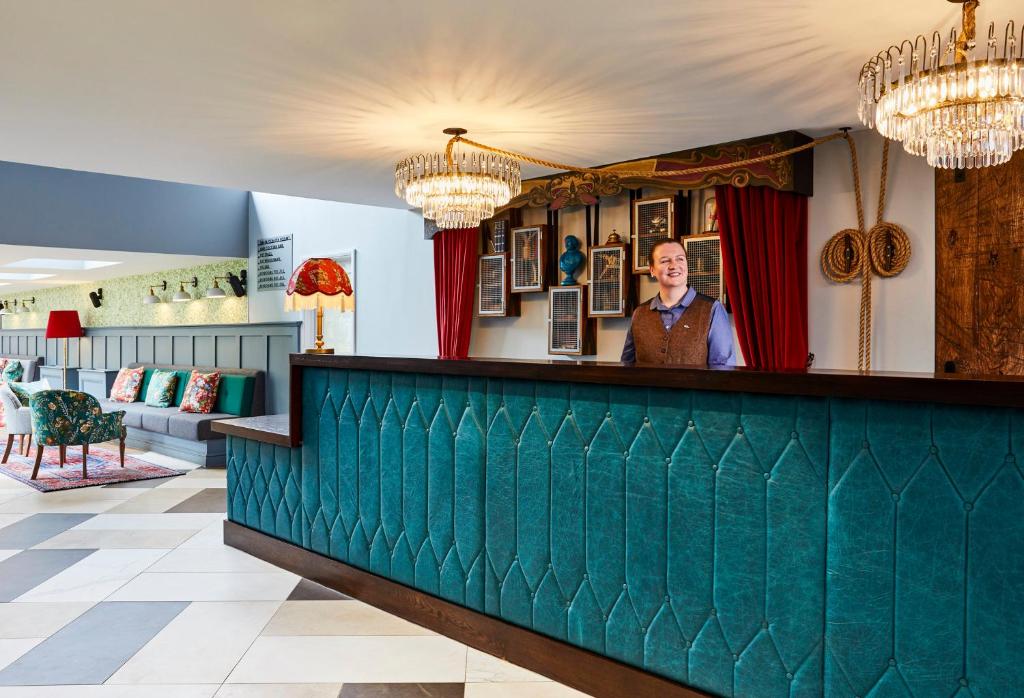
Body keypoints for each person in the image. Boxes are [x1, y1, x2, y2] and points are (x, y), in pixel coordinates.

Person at [621, 238, 735, 367]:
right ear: (652, 270)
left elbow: (722, 368)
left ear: (687, 264)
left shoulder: (713, 309)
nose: (673, 265)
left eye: (680, 259)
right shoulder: (639, 313)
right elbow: (627, 366)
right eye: (665, 261)